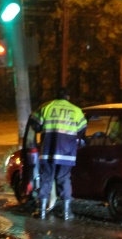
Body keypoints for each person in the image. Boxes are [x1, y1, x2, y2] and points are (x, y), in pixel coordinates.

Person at [29, 87, 86, 220]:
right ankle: (66, 212)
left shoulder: (46, 107)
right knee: (64, 179)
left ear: (56, 96)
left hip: (48, 151)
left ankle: (42, 211)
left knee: (46, 179)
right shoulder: (76, 110)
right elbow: (82, 130)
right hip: (67, 153)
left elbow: (35, 125)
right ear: (68, 97)